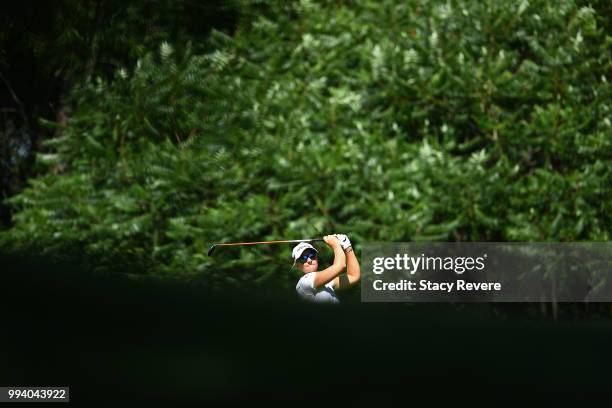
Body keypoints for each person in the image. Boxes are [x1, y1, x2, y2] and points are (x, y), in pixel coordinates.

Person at [292, 234, 360, 303]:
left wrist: (347, 246)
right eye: (303, 258)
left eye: (312, 255)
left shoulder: (327, 283)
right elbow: (340, 265)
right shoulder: (304, 282)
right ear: (297, 265)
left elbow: (354, 276)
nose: (309, 260)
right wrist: (335, 244)